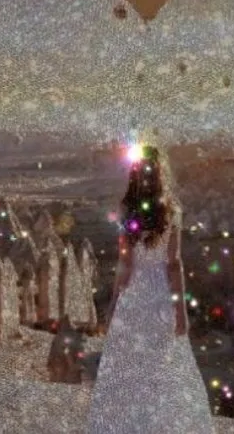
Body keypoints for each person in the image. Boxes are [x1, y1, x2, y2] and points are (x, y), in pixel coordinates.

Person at [86, 143, 214, 434]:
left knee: (129, 369)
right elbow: (174, 264)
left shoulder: (128, 210)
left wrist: (115, 301)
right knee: (162, 368)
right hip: (160, 298)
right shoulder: (171, 211)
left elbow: (126, 264)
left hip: (134, 298)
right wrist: (181, 311)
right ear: (160, 173)